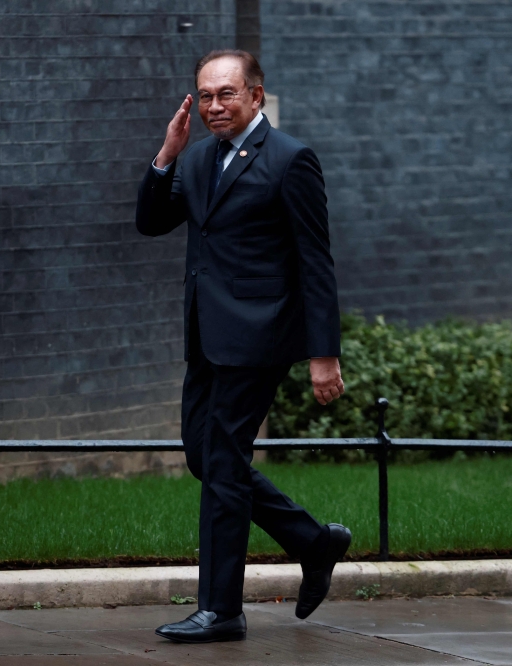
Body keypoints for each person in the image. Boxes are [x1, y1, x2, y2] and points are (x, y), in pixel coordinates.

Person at [136, 49, 350, 644]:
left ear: (256, 96)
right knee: (204, 459)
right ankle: (314, 540)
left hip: (260, 336)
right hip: (205, 336)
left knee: (225, 465)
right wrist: (166, 156)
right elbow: (151, 223)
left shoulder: (290, 160)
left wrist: (323, 354)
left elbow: (316, 262)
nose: (214, 106)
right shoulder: (199, 159)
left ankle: (221, 609)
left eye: (226, 94)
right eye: (205, 95)